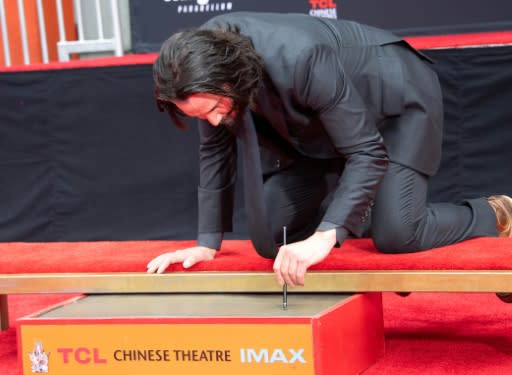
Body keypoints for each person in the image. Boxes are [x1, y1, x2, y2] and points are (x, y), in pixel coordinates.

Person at [147, 12, 512, 293]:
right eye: (200, 115)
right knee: (272, 238)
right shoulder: (199, 68)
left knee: (397, 234)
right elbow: (215, 153)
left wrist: (326, 235)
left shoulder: (299, 56)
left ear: (229, 79)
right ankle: (363, 208)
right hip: (316, 125)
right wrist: (206, 244)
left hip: (392, 98)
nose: (213, 121)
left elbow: (367, 150)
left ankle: (495, 211)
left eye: (215, 109)